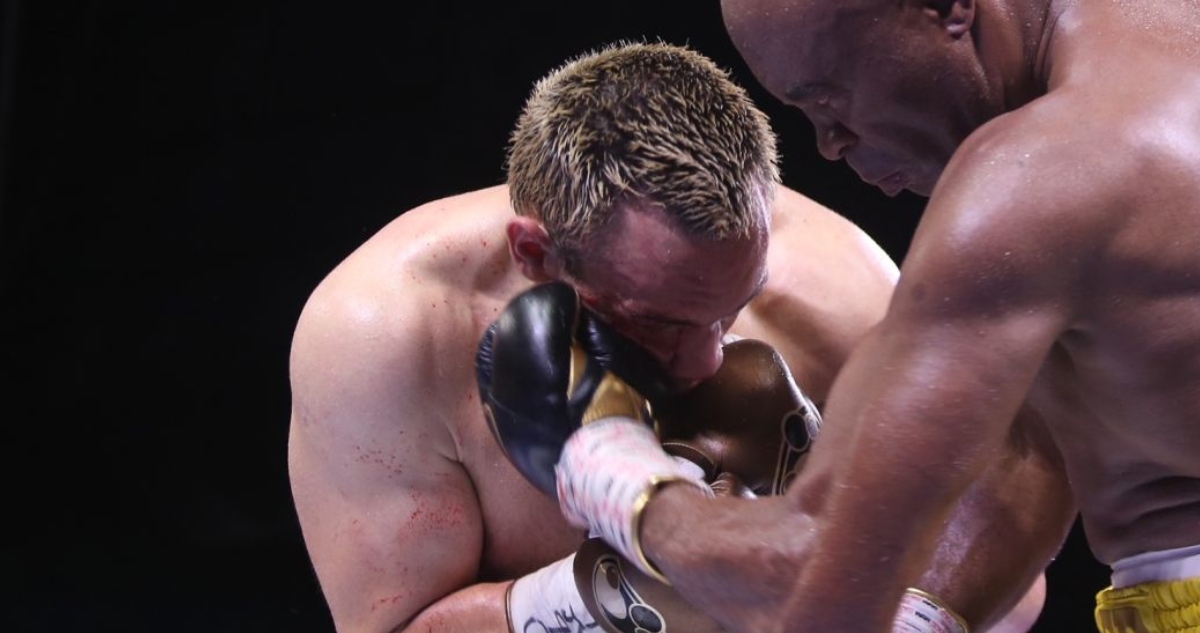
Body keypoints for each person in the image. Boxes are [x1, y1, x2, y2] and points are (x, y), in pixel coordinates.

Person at [287, 41, 1042, 633]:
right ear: (535, 253)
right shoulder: (392, 336)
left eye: (737, 303)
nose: (710, 354)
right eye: (658, 319)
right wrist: (639, 597)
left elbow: (1009, 544)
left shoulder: (836, 283)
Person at [552, 2, 1200, 632]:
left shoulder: (1032, 182)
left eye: (829, 101)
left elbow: (809, 581)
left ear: (946, 8)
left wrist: (610, 469)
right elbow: (1039, 434)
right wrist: (922, 617)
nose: (831, 145)